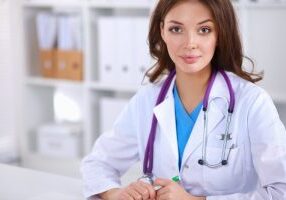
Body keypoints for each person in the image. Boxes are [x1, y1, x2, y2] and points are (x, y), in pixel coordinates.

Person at [81, 0, 286, 199]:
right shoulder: (147, 100)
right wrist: (115, 193)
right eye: (176, 29)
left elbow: (282, 191)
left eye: (204, 30)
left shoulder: (252, 102)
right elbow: (97, 163)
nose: (190, 43)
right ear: (162, 31)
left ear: (220, 34)